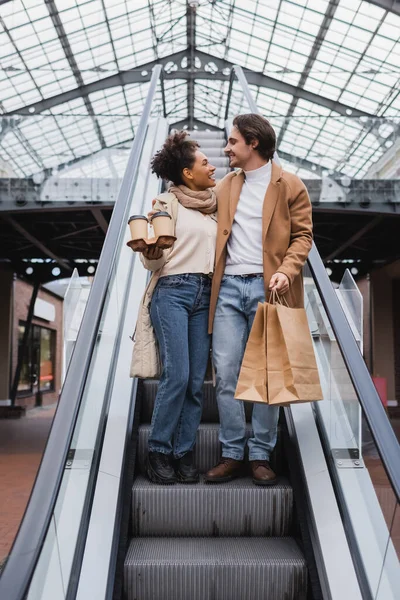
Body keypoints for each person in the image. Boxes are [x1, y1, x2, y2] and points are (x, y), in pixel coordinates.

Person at [204, 114, 313, 486]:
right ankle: (233, 452)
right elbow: (198, 208)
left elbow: (303, 236)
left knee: (269, 376)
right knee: (226, 372)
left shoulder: (290, 184)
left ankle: (261, 454)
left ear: (252, 142)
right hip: (229, 290)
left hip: (271, 291)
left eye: (233, 142)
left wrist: (287, 268)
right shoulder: (226, 185)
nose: (227, 148)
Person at [140, 131, 217, 485]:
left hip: (205, 295)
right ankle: (158, 448)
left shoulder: (215, 206)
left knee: (196, 384)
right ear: (187, 173)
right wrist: (150, 252)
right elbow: (152, 263)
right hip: (173, 292)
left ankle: (183, 450)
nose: (212, 166)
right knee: (178, 375)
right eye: (204, 163)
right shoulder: (165, 204)